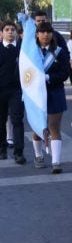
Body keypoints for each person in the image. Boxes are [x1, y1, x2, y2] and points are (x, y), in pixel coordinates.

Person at [30, 22, 69, 173]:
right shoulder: (31, 52)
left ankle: (56, 161)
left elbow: (64, 73)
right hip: (35, 94)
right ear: (37, 34)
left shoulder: (59, 51)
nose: (45, 35)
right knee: (38, 126)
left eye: (48, 32)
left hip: (55, 91)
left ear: (52, 34)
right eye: (42, 32)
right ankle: (39, 155)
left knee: (54, 126)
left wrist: (47, 77)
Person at [0, 21, 25, 164]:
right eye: (7, 30)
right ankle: (2, 149)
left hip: (17, 90)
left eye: (13, 30)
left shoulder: (22, 50)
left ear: (16, 32)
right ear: (2, 33)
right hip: (1, 90)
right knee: (0, 121)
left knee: (17, 120)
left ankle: (18, 152)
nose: (10, 32)